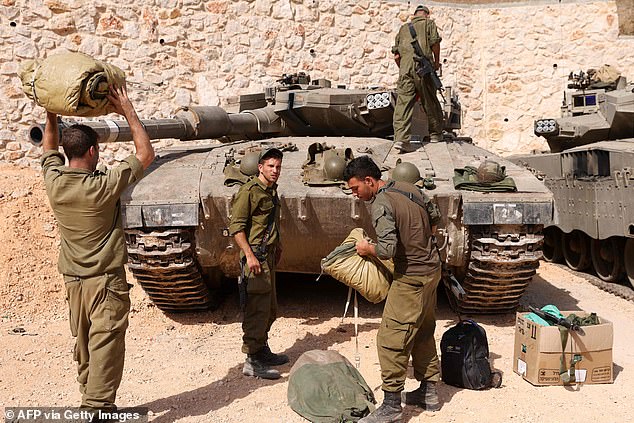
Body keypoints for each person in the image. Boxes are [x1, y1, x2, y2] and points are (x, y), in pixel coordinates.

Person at [41, 85, 155, 415]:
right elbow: (146, 155)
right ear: (93, 152)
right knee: (106, 342)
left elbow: (49, 149)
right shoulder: (103, 186)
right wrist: (128, 110)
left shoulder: (55, 182)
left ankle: (90, 400)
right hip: (105, 283)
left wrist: (50, 112)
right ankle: (96, 409)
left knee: (87, 344)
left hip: (74, 282)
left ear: (68, 153)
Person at [343, 156, 442, 423]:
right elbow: (435, 217)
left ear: (369, 181)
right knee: (422, 329)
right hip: (432, 271)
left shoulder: (380, 204)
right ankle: (429, 392)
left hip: (411, 278)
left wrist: (366, 248)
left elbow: (387, 249)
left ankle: (391, 405)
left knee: (391, 339)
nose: (355, 194)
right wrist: (420, 244)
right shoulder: (409, 187)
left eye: (356, 189)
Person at [229, 147, 289, 380]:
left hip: (268, 256)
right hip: (256, 259)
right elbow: (237, 227)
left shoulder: (270, 191)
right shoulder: (249, 192)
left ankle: (262, 350)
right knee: (256, 309)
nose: (275, 171)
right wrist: (250, 256)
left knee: (269, 309)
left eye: (278, 167)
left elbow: (271, 223)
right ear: (260, 167)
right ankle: (252, 360)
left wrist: (279, 245)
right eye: (271, 166)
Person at [392, 4, 444, 151]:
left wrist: (404, 69)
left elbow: (396, 56)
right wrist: (436, 62)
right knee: (430, 100)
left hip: (405, 69)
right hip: (424, 67)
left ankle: (401, 140)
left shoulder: (403, 29)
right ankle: (435, 134)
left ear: (414, 15)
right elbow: (435, 43)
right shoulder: (429, 23)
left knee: (403, 104)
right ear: (427, 15)